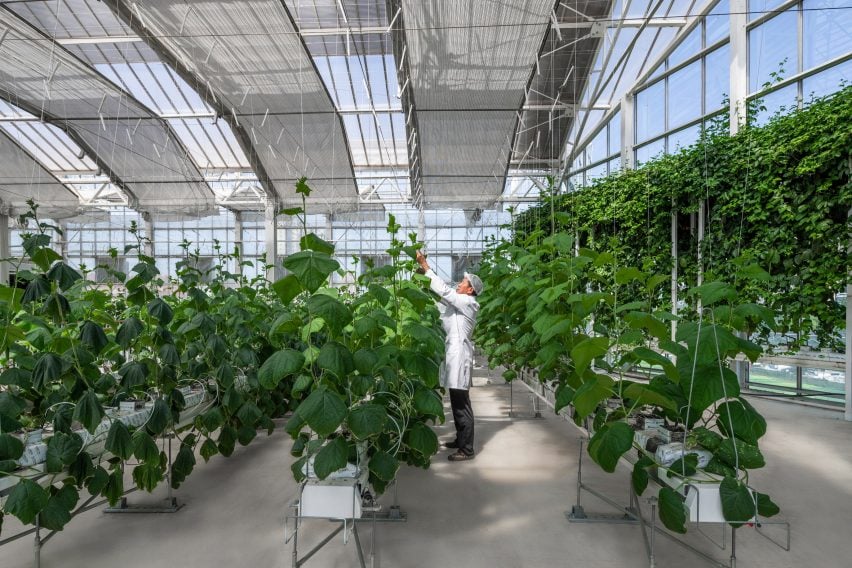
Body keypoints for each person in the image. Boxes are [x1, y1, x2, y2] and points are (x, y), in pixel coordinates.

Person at [415, 250, 483, 462]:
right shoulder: (458, 304)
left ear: (470, 289)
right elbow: (439, 300)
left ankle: (467, 449)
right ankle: (461, 439)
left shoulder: (469, 303)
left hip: (459, 356)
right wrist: (422, 279)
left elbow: (444, 292)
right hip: (454, 354)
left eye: (462, 282)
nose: (459, 283)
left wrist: (426, 266)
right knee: (456, 401)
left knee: (461, 404)